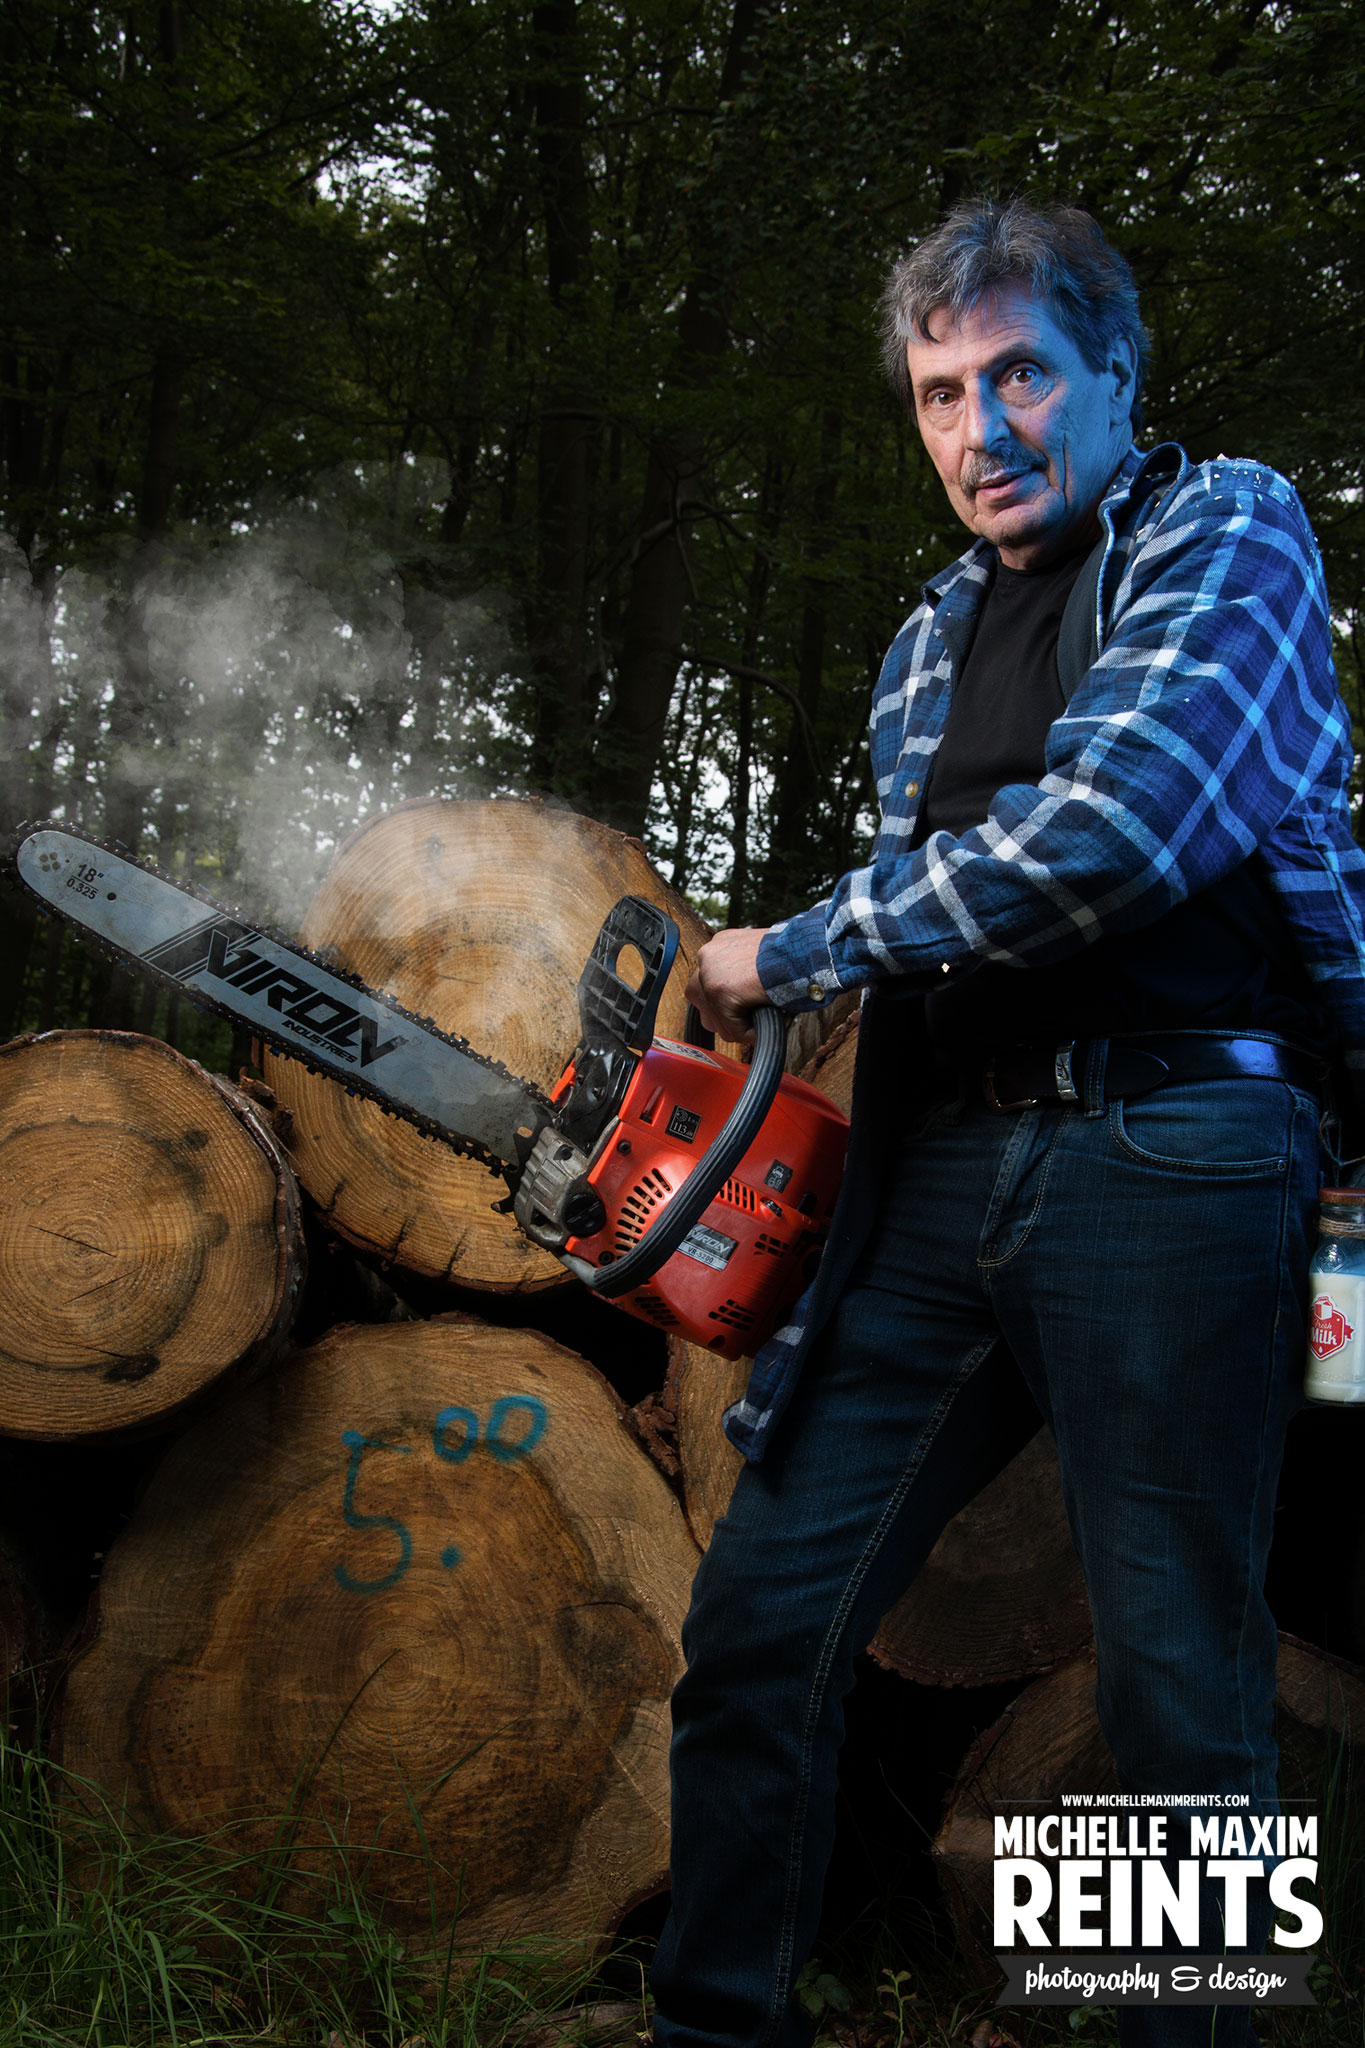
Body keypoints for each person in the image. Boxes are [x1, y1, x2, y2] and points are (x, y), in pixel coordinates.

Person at [651, 198, 1365, 2048]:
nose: (982, 429)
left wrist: (788, 945)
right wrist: (783, 1010)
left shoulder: (1227, 531)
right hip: (946, 1160)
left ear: (1115, 375)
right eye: (940, 393)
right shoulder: (929, 635)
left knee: (1176, 1687)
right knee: (759, 1624)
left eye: (1021, 373)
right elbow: (937, 908)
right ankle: (714, 2027)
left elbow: (1112, 835)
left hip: (1173, 1143)